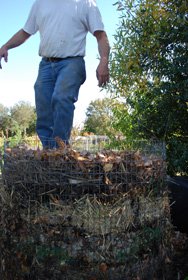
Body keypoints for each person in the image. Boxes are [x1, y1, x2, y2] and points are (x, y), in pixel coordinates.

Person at [0, 0, 110, 149]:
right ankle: (49, 151)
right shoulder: (40, 4)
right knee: (43, 105)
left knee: (61, 97)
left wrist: (104, 61)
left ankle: (60, 149)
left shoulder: (85, 3)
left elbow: (101, 35)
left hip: (72, 62)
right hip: (46, 64)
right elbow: (25, 32)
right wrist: (6, 46)